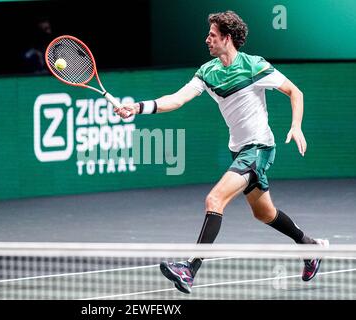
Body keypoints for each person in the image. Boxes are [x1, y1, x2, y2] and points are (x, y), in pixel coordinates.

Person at [114, 11, 328, 294]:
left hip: (259, 148)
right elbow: (176, 100)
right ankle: (310, 246)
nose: (207, 40)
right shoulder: (207, 72)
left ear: (227, 38)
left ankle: (189, 269)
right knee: (264, 214)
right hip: (238, 150)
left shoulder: (255, 66)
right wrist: (139, 107)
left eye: (212, 35)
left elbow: (295, 92)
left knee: (214, 198)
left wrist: (296, 126)